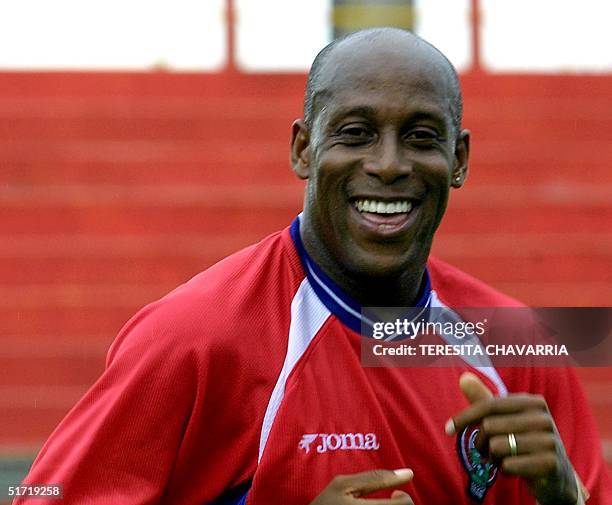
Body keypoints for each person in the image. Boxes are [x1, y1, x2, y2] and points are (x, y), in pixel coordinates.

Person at [16, 28, 610, 505]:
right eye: (355, 133)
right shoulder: (193, 339)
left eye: (421, 137)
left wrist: (567, 498)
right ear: (304, 149)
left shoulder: (517, 344)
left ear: (458, 159)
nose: (388, 164)